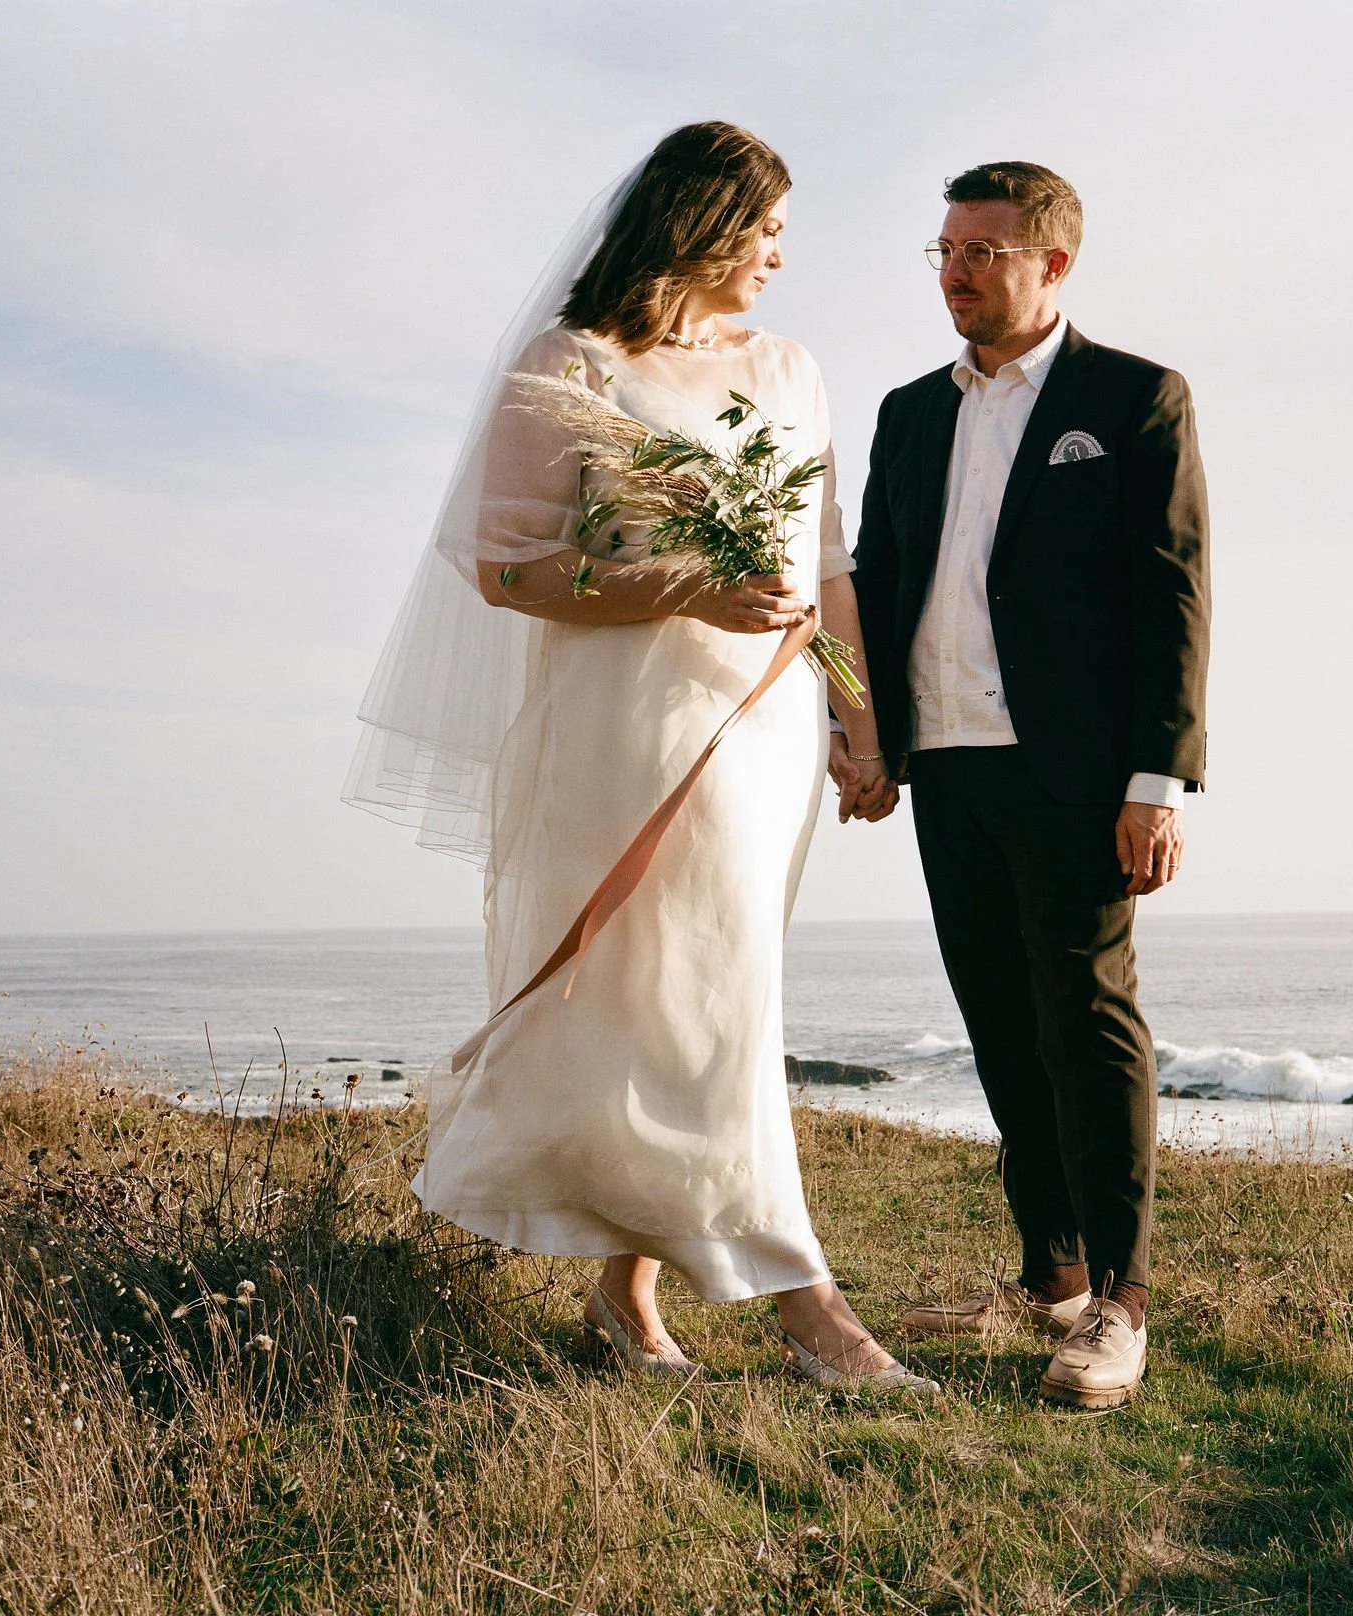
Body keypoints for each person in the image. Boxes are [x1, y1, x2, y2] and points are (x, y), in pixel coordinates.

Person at [346, 122, 927, 1393]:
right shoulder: (574, 363)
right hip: (628, 727)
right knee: (673, 995)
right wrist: (676, 584)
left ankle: (626, 1290)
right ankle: (803, 1301)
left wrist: (859, 721)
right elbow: (505, 565)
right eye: (763, 227)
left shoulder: (791, 366)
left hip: (768, 731)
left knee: (723, 989)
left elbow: (819, 569)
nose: (780, 253)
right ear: (701, 223)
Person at [847, 162, 1210, 1409]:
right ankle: (1048, 1273)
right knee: (999, 1013)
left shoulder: (1131, 396)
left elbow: (1173, 596)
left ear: (1051, 264)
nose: (957, 268)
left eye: (984, 250)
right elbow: (877, 578)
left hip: (1076, 770)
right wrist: (868, 736)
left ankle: (1121, 1297)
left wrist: (1156, 779)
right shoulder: (908, 412)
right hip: (944, 762)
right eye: (944, 248)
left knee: (1085, 1017)